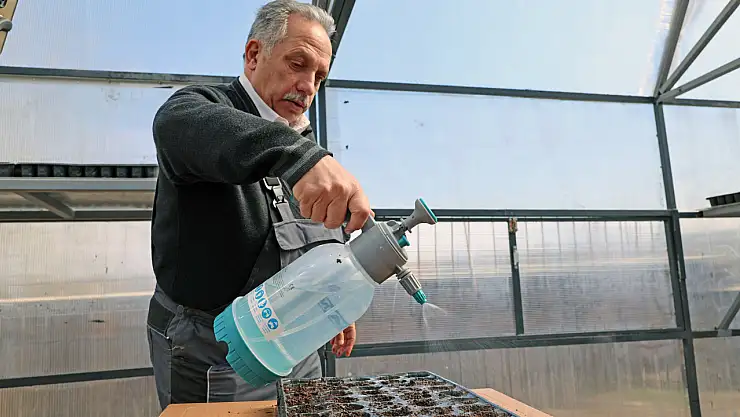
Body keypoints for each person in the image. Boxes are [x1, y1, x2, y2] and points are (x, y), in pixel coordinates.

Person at [145, 0, 372, 409]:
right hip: (214, 350)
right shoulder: (207, 110)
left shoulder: (300, 145)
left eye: (319, 76)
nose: (309, 86)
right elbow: (176, 123)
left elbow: (315, 239)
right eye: (298, 64)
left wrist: (332, 298)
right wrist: (301, 157)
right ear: (254, 55)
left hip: (294, 342)